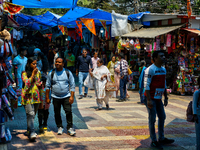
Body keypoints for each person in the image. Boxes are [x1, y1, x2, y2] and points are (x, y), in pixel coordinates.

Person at [143, 50, 174, 149]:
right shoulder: (150, 70)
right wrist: (148, 100)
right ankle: (154, 140)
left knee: (162, 117)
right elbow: (146, 85)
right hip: (150, 98)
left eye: (164, 56)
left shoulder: (163, 69)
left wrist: (166, 97)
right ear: (155, 59)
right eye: (161, 56)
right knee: (152, 119)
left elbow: (163, 84)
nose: (164, 58)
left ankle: (161, 137)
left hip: (158, 98)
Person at [46, 57, 76, 136]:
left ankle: (70, 128)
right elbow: (47, 86)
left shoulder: (67, 72)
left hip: (66, 96)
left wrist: (72, 97)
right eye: (56, 62)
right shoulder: (51, 73)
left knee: (68, 111)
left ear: (63, 64)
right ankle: (60, 127)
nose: (57, 63)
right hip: (55, 97)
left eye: (59, 62)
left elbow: (72, 85)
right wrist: (47, 98)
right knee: (57, 112)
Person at [21, 57, 41, 140]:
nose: (35, 65)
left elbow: (38, 82)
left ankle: (29, 130)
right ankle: (32, 132)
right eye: (33, 63)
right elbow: (27, 84)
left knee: (32, 116)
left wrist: (40, 84)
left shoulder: (38, 72)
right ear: (29, 64)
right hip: (27, 97)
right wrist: (32, 74)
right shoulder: (24, 73)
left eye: (36, 63)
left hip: (36, 97)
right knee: (31, 114)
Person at [193, 76, 200, 150]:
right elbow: (194, 104)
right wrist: (195, 115)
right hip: (198, 115)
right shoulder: (197, 93)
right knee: (198, 134)